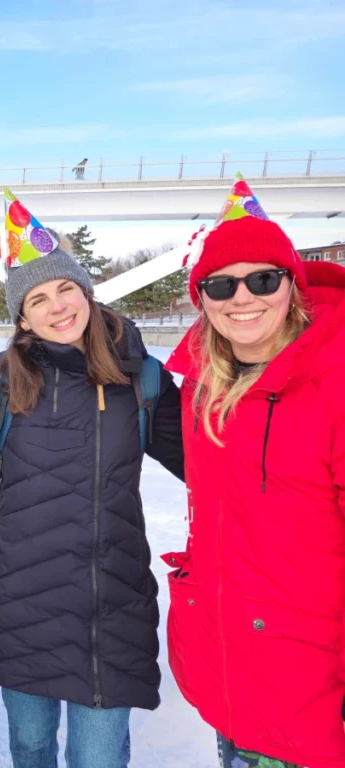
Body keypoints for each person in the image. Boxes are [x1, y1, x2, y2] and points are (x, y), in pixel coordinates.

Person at [0, 191, 184, 768]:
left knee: (98, 759)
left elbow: (212, 471)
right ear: (23, 316)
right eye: (38, 298)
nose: (57, 307)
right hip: (20, 605)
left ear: (87, 293)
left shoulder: (141, 381)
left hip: (108, 608)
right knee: (31, 747)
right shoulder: (5, 381)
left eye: (65, 289)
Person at [165, 177, 345, 768]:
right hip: (233, 681)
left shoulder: (335, 379)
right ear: (203, 299)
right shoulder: (202, 389)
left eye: (263, 278)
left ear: (291, 285)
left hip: (315, 696)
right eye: (221, 284)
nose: (242, 297)